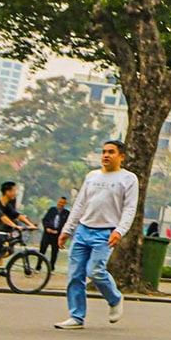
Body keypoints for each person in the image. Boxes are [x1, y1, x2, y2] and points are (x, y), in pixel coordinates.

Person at [55, 140, 138, 330]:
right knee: (75, 275)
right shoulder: (92, 176)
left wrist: (120, 230)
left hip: (106, 232)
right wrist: (67, 230)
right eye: (103, 152)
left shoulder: (128, 178)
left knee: (95, 271)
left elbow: (130, 208)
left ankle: (115, 299)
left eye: (111, 152)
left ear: (121, 156)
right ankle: (76, 316)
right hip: (83, 230)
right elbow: (79, 204)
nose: (106, 155)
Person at [39, 196, 70, 270]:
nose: (60, 204)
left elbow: (66, 224)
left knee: (54, 252)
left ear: (65, 204)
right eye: (59, 202)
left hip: (57, 235)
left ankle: (51, 267)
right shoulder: (52, 210)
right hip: (47, 234)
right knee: (42, 250)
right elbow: (44, 220)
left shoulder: (66, 213)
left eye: (62, 203)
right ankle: (38, 266)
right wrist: (47, 228)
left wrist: (59, 231)